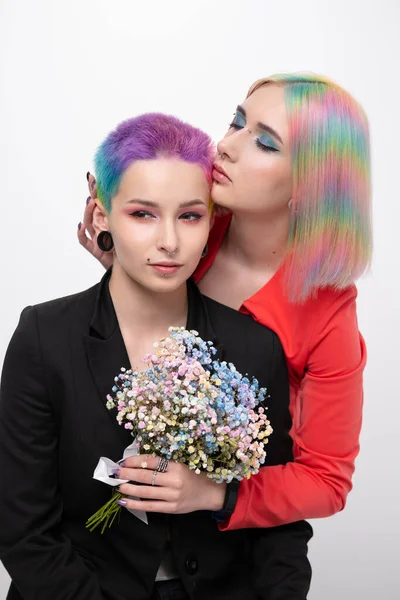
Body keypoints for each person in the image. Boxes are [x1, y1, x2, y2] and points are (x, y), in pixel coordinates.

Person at [0, 113, 312, 600]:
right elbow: (24, 532)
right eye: (142, 214)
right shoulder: (45, 338)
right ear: (101, 213)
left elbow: (280, 531)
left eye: (190, 215)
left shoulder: (254, 347)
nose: (170, 241)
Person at [79, 73, 372, 531]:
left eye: (266, 144)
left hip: (233, 551)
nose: (228, 145)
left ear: (310, 184)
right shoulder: (191, 231)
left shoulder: (328, 313)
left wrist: (214, 493)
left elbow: (327, 481)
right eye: (237, 122)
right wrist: (124, 268)